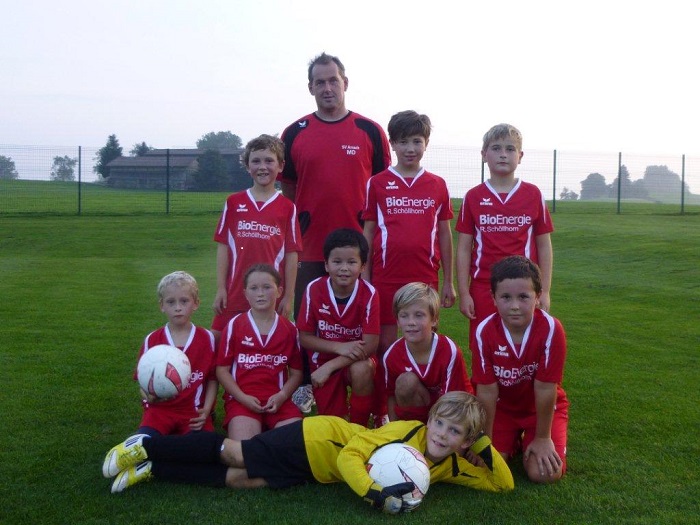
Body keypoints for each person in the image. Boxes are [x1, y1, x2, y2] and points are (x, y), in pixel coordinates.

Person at [103, 391, 514, 512]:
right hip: (315, 438)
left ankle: (156, 469)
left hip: (317, 470)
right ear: (430, 420)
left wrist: (483, 445)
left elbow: (502, 485)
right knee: (235, 454)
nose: (441, 434)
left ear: (464, 442)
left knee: (243, 481)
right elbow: (349, 457)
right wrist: (374, 492)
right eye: (439, 423)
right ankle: (145, 445)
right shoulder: (407, 432)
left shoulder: (453, 465)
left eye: (455, 432)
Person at [280, 52, 391, 320]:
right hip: (310, 247)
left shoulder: (370, 131)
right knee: (309, 323)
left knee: (358, 323)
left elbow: (382, 190)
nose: (327, 88)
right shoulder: (294, 133)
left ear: (345, 83)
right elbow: (289, 190)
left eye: (333, 81)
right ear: (311, 88)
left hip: (358, 248)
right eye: (320, 82)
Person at [361, 110, 455, 421]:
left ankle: (429, 407)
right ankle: (382, 412)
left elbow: (444, 234)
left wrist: (449, 281)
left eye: (416, 141)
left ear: (426, 143)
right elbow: (369, 231)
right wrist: (366, 279)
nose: (410, 148)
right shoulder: (377, 183)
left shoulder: (437, 185)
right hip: (386, 278)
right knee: (386, 347)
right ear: (392, 144)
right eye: (403, 142)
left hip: (424, 279)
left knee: (424, 343)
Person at [455, 123, 553, 350]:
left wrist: (545, 291)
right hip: (484, 286)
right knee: (483, 345)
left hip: (524, 286)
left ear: (520, 156)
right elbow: (464, 248)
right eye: (496, 148)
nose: (503, 154)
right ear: (484, 155)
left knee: (524, 346)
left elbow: (544, 246)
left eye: (510, 149)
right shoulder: (473, 197)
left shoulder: (533, 194)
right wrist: (464, 292)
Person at [471, 255, 569, 483]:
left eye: (523, 297)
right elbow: (487, 391)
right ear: (493, 298)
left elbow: (545, 388)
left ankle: (535, 437)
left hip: (540, 410)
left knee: (544, 474)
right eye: (506, 297)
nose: (514, 306)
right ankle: (512, 440)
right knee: (486, 467)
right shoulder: (484, 331)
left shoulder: (551, 329)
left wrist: (543, 438)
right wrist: (485, 441)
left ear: (538, 296)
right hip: (503, 409)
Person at [212, 134, 302, 343]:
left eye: (269, 161)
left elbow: (291, 254)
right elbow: (223, 247)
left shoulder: (287, 207)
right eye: (256, 161)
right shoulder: (234, 202)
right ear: (247, 166)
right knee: (218, 342)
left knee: (267, 346)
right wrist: (221, 288)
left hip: (271, 294)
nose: (263, 167)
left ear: (280, 166)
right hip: (235, 292)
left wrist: (288, 296)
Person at [295, 229, 379, 426]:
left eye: (351, 262)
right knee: (334, 425)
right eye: (337, 261)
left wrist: (331, 366)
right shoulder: (314, 289)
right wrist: (338, 347)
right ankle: (341, 420)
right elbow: (304, 337)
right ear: (326, 264)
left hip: (352, 360)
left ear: (362, 266)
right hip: (322, 360)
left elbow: (370, 346)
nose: (344, 268)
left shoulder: (369, 293)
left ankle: (358, 428)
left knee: (363, 369)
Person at [216, 264, 303, 441]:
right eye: (254, 288)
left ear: (279, 291)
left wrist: (282, 395)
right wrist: (242, 397)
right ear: (245, 293)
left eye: (267, 287)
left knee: (294, 447)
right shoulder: (234, 326)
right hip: (242, 401)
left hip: (278, 401)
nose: (260, 293)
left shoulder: (290, 329)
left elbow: (296, 373)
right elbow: (222, 370)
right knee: (246, 449)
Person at [131, 271, 217, 438]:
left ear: (196, 303)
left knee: (202, 447)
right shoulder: (152, 340)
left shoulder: (207, 338)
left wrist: (206, 410)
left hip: (193, 412)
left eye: (184, 301)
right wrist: (148, 396)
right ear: (162, 305)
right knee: (144, 444)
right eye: (171, 302)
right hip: (159, 411)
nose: (178, 307)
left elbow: (213, 378)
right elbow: (143, 380)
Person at [382, 283, 472, 424]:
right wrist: (394, 431)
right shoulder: (392, 355)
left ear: (434, 319)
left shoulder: (448, 350)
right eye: (404, 316)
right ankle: (413, 429)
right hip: (421, 411)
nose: (411, 322)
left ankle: (431, 433)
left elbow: (455, 401)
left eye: (419, 315)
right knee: (406, 382)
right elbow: (391, 396)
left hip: (454, 411)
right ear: (397, 321)